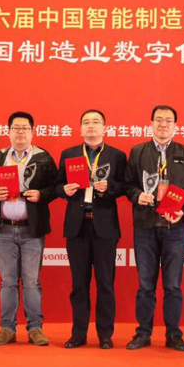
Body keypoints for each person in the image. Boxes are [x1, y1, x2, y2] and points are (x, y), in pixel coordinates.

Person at [124, 105, 184, 351]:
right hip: (145, 227)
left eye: (168, 120)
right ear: (151, 123)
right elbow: (127, 184)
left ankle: (173, 335)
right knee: (145, 285)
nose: (163, 124)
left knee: (173, 285)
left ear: (175, 126)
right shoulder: (138, 151)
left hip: (175, 228)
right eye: (158, 120)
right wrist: (137, 196)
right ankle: (143, 333)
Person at [0, 111, 58, 347]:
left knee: (32, 281)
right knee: (8, 282)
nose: (20, 132)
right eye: (16, 128)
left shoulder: (43, 158)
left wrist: (42, 194)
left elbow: (57, 187)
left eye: (25, 128)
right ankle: (7, 328)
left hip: (31, 230)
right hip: (4, 229)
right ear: (8, 131)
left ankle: (35, 328)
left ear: (33, 132)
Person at [56, 109, 127, 349]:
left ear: (104, 128)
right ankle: (78, 334)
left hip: (104, 227)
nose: (91, 126)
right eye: (86, 122)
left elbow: (126, 186)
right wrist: (63, 190)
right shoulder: (69, 154)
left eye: (96, 122)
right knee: (79, 284)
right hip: (77, 226)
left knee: (105, 283)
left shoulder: (117, 155)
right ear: (80, 129)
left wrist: (110, 187)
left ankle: (105, 335)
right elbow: (57, 185)